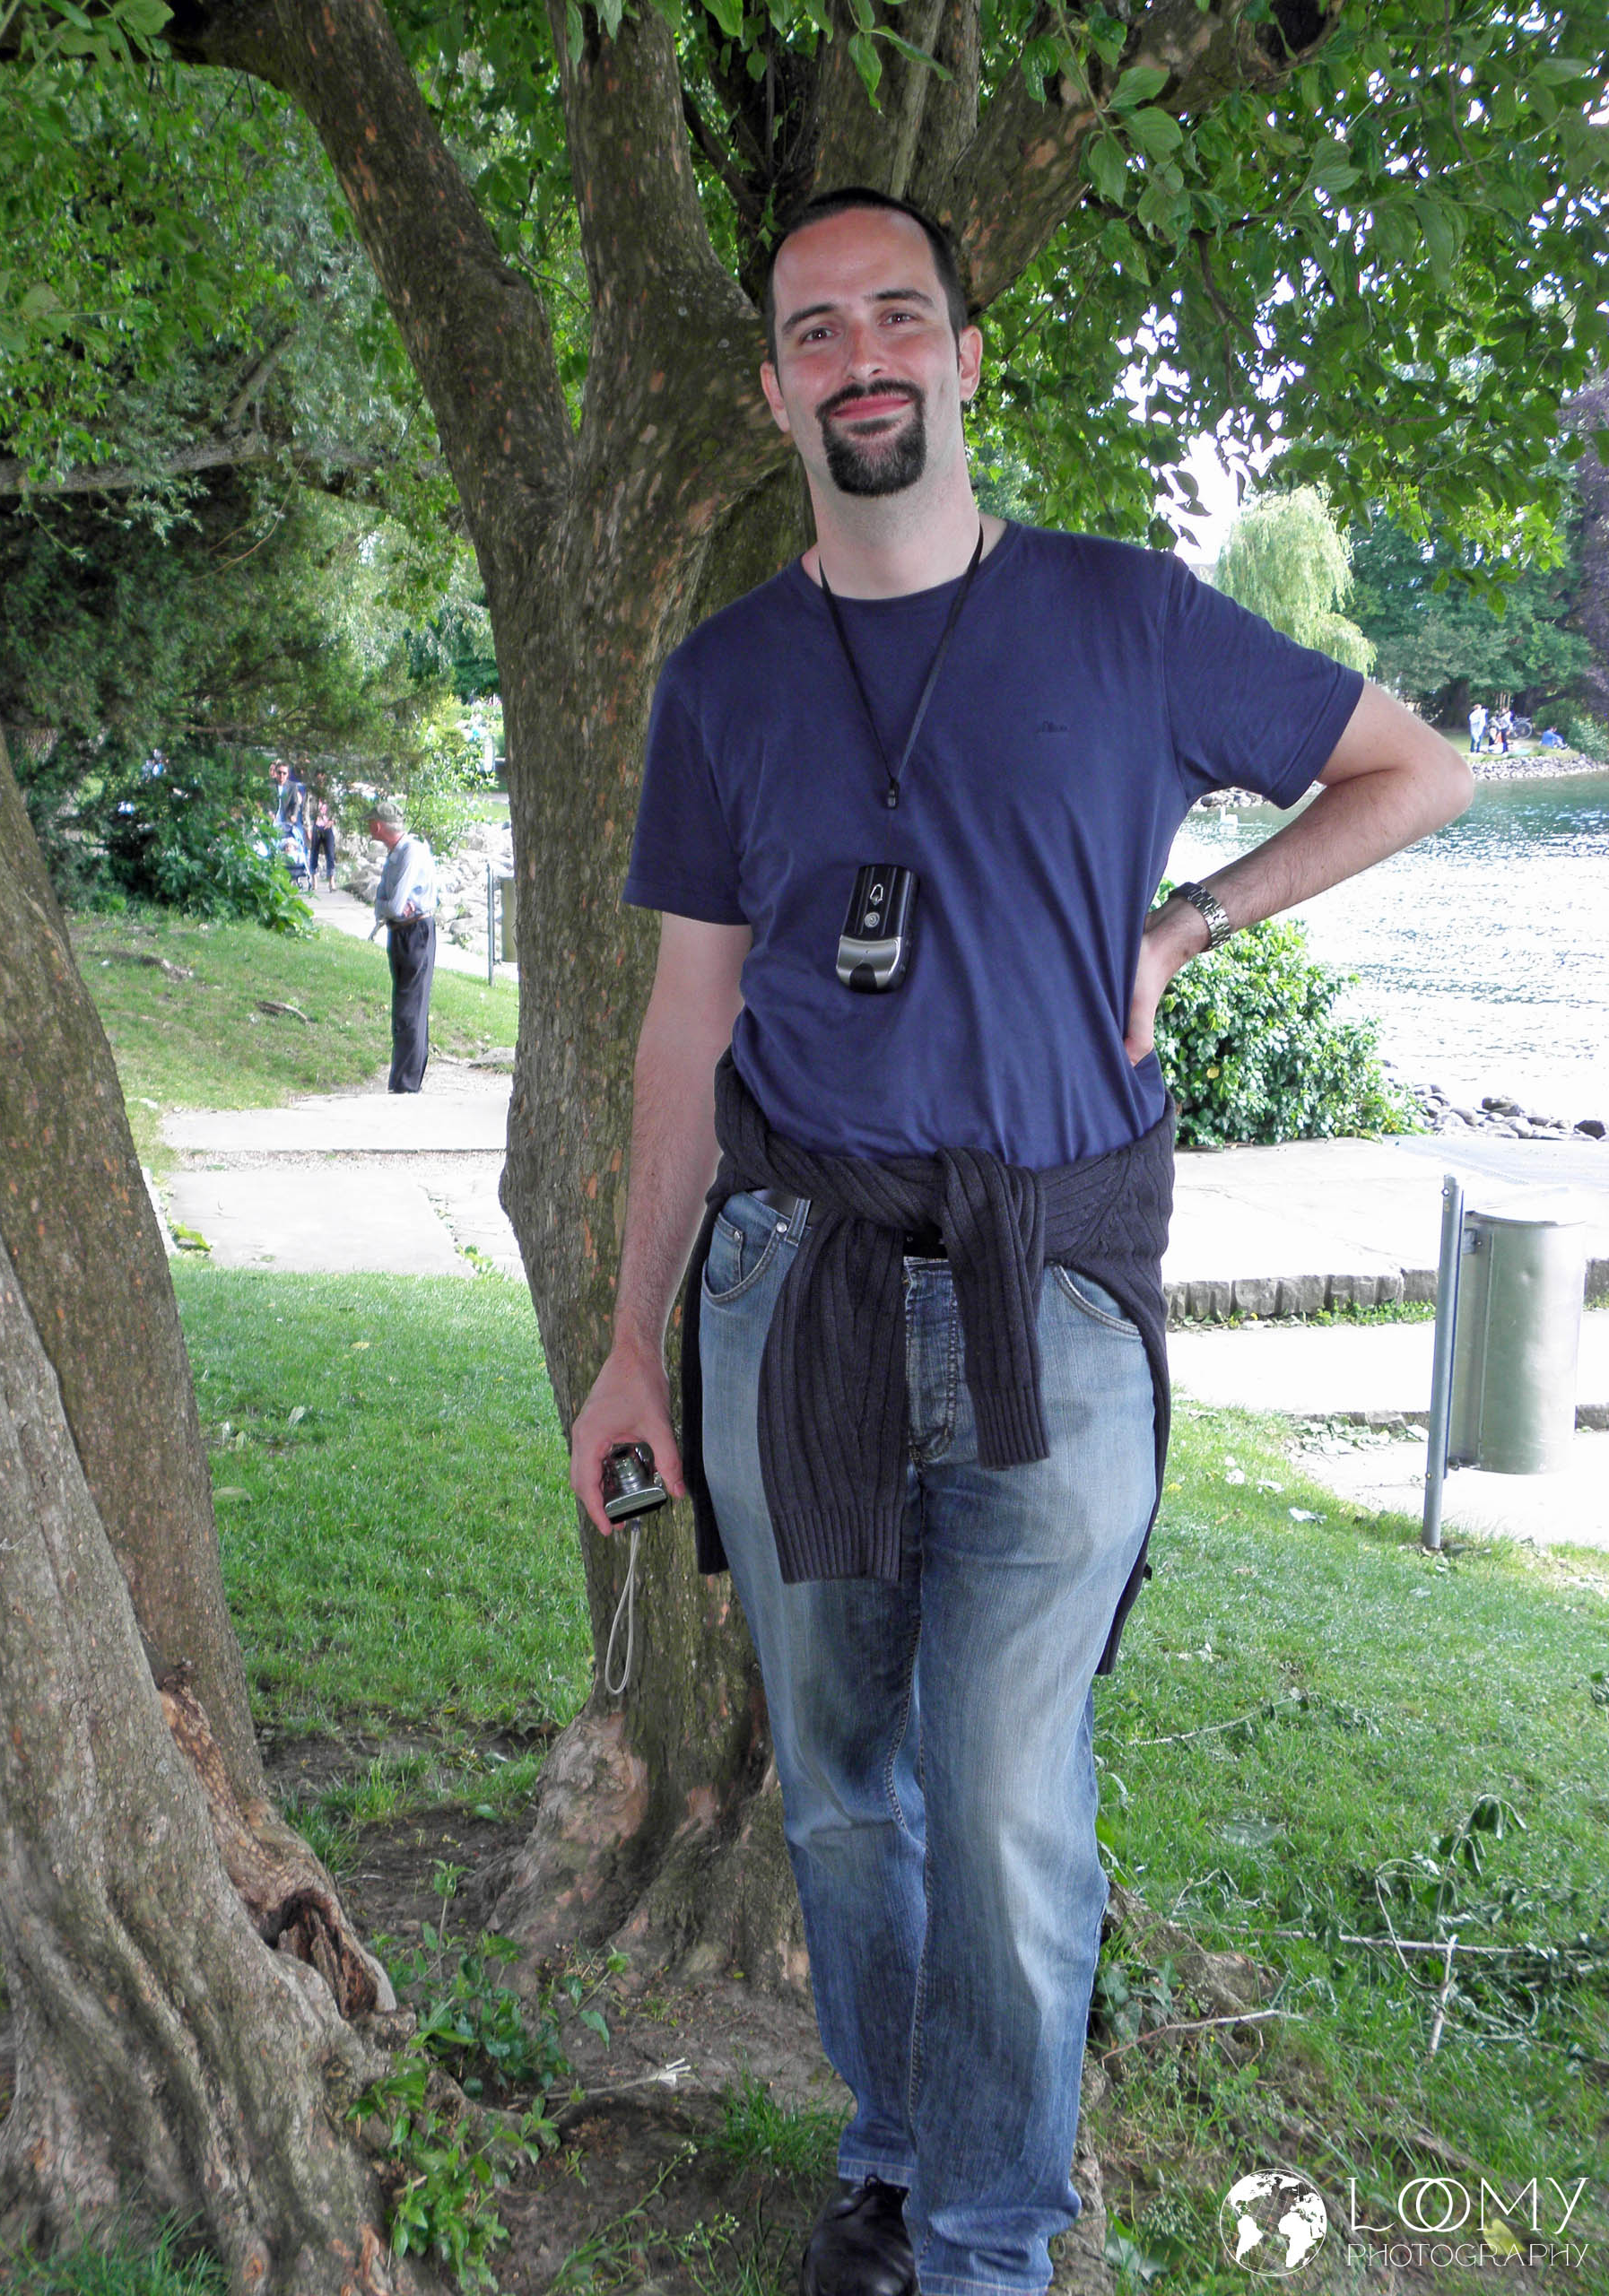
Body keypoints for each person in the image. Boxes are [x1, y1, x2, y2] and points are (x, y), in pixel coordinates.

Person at [568, 188, 1472, 2296]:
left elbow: (1412, 768)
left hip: (1049, 1290)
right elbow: (688, 1020)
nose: (862, 358)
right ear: (774, 387)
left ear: (966, 359)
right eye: (817, 330)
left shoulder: (1124, 617)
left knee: (997, 1798)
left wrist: (1193, 919)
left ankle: (986, 2247)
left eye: (901, 316)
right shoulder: (724, 682)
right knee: (841, 1791)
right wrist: (630, 1339)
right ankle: (895, 2160)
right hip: (787, 1289)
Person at [368, 800, 439, 1093]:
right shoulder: (394, 854)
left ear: (378, 826)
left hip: (415, 931)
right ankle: (401, 1081)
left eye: (370, 822)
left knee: (411, 1007)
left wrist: (386, 907)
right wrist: (386, 907)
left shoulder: (411, 852)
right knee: (403, 1006)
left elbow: (393, 905)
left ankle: (406, 1085)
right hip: (399, 932)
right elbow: (381, 903)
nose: (368, 827)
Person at [312, 799, 338, 888]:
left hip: (328, 828)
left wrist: (333, 821)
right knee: (314, 853)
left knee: (330, 854)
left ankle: (331, 880)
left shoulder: (330, 797)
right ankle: (314, 878)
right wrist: (308, 826)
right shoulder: (311, 796)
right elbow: (306, 811)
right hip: (315, 828)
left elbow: (336, 811)